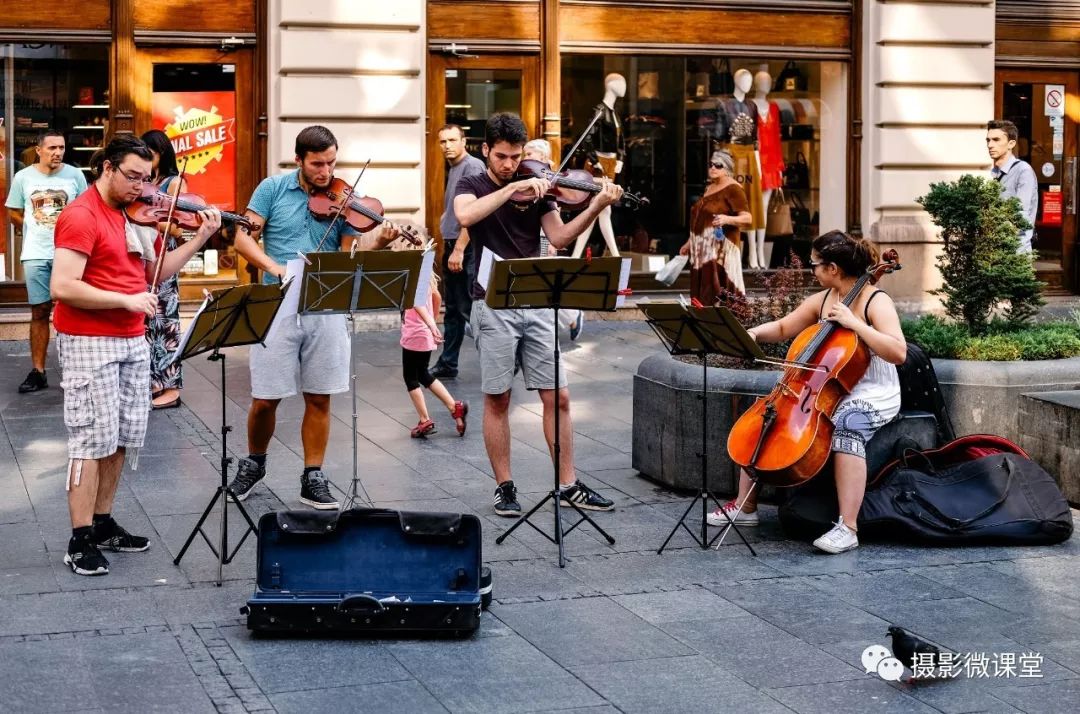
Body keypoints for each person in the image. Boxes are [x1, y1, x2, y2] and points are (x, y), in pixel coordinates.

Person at [50, 136, 222, 575]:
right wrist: (124, 301)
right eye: (133, 177)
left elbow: (153, 274)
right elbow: (64, 286)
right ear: (107, 168)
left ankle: (103, 523)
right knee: (90, 440)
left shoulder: (135, 217)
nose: (142, 189)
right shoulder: (80, 215)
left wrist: (201, 236)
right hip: (90, 340)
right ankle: (79, 538)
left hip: (131, 339)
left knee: (122, 436)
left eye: (147, 179)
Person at [454, 112, 621, 517]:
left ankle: (568, 484)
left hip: (536, 300)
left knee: (559, 397)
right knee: (498, 398)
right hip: (492, 304)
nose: (510, 165)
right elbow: (465, 216)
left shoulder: (539, 188)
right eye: (502, 157)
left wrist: (597, 204)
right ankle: (505, 487)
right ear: (485, 151)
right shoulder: (471, 183)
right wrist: (511, 189)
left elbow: (560, 238)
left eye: (515, 157)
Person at [226, 125, 400, 510]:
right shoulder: (271, 189)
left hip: (326, 300)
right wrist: (277, 268)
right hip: (278, 299)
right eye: (318, 164)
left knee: (320, 395)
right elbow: (242, 238)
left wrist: (381, 240)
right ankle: (255, 462)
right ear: (299, 160)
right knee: (265, 398)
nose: (326, 172)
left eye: (332, 163)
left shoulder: (344, 200)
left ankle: (313, 476)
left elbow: (350, 250)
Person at [711, 231, 907, 554]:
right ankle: (745, 508)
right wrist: (752, 335)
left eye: (815, 265)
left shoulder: (875, 300)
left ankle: (848, 527)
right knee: (768, 414)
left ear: (833, 268)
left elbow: (898, 352)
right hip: (833, 385)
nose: (811, 270)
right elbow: (786, 327)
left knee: (847, 425)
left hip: (873, 389)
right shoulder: (826, 298)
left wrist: (855, 324)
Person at [5, 129, 87, 394]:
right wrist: (28, 225)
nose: (58, 153)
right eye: (52, 148)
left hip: (70, 253)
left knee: (73, 310)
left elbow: (87, 212)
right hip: (36, 252)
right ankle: (38, 370)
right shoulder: (23, 177)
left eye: (61, 148)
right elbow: (13, 211)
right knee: (39, 311)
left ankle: (76, 370)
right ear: (38, 150)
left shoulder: (75, 175)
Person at [391, 230, 469, 438]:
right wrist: (432, 322)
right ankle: (455, 407)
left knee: (410, 378)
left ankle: (425, 420)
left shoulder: (411, 277)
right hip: (423, 333)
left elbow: (416, 304)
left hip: (414, 334)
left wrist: (432, 326)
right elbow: (435, 297)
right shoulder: (426, 276)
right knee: (424, 374)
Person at [431, 124, 486, 381]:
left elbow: (474, 216)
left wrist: (460, 250)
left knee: (468, 310)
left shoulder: (472, 167)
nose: (447, 146)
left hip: (466, 248)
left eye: (452, 140)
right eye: (443, 141)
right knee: (453, 309)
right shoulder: (454, 168)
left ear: (464, 141)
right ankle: (448, 363)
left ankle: (503, 359)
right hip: (454, 245)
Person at [140, 129, 187, 410]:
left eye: (151, 153)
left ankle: (172, 387)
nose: (146, 157)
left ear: (162, 153)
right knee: (148, 322)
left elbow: (178, 228)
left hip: (165, 255)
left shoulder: (173, 182)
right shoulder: (146, 180)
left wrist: (147, 218)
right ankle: (152, 382)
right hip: (146, 254)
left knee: (166, 321)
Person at [524, 138, 584, 341]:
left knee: (545, 283)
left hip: (545, 235)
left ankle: (573, 315)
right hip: (535, 235)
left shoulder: (549, 175)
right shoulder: (528, 174)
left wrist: (550, 242)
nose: (526, 158)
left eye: (529, 154)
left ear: (542, 157)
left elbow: (554, 207)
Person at [679, 149, 751, 304]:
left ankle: (729, 322)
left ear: (727, 169)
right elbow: (702, 219)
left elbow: (747, 218)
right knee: (704, 290)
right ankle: (704, 322)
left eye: (718, 165)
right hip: (703, 250)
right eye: (710, 164)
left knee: (720, 290)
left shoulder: (734, 188)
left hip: (722, 250)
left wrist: (727, 219)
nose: (712, 168)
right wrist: (689, 242)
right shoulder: (710, 188)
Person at [986, 119, 1038, 253]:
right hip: (997, 250)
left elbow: (1021, 215)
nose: (990, 145)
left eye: (996, 140)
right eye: (988, 140)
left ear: (1011, 144)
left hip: (1015, 252)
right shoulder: (995, 173)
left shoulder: (1023, 171)